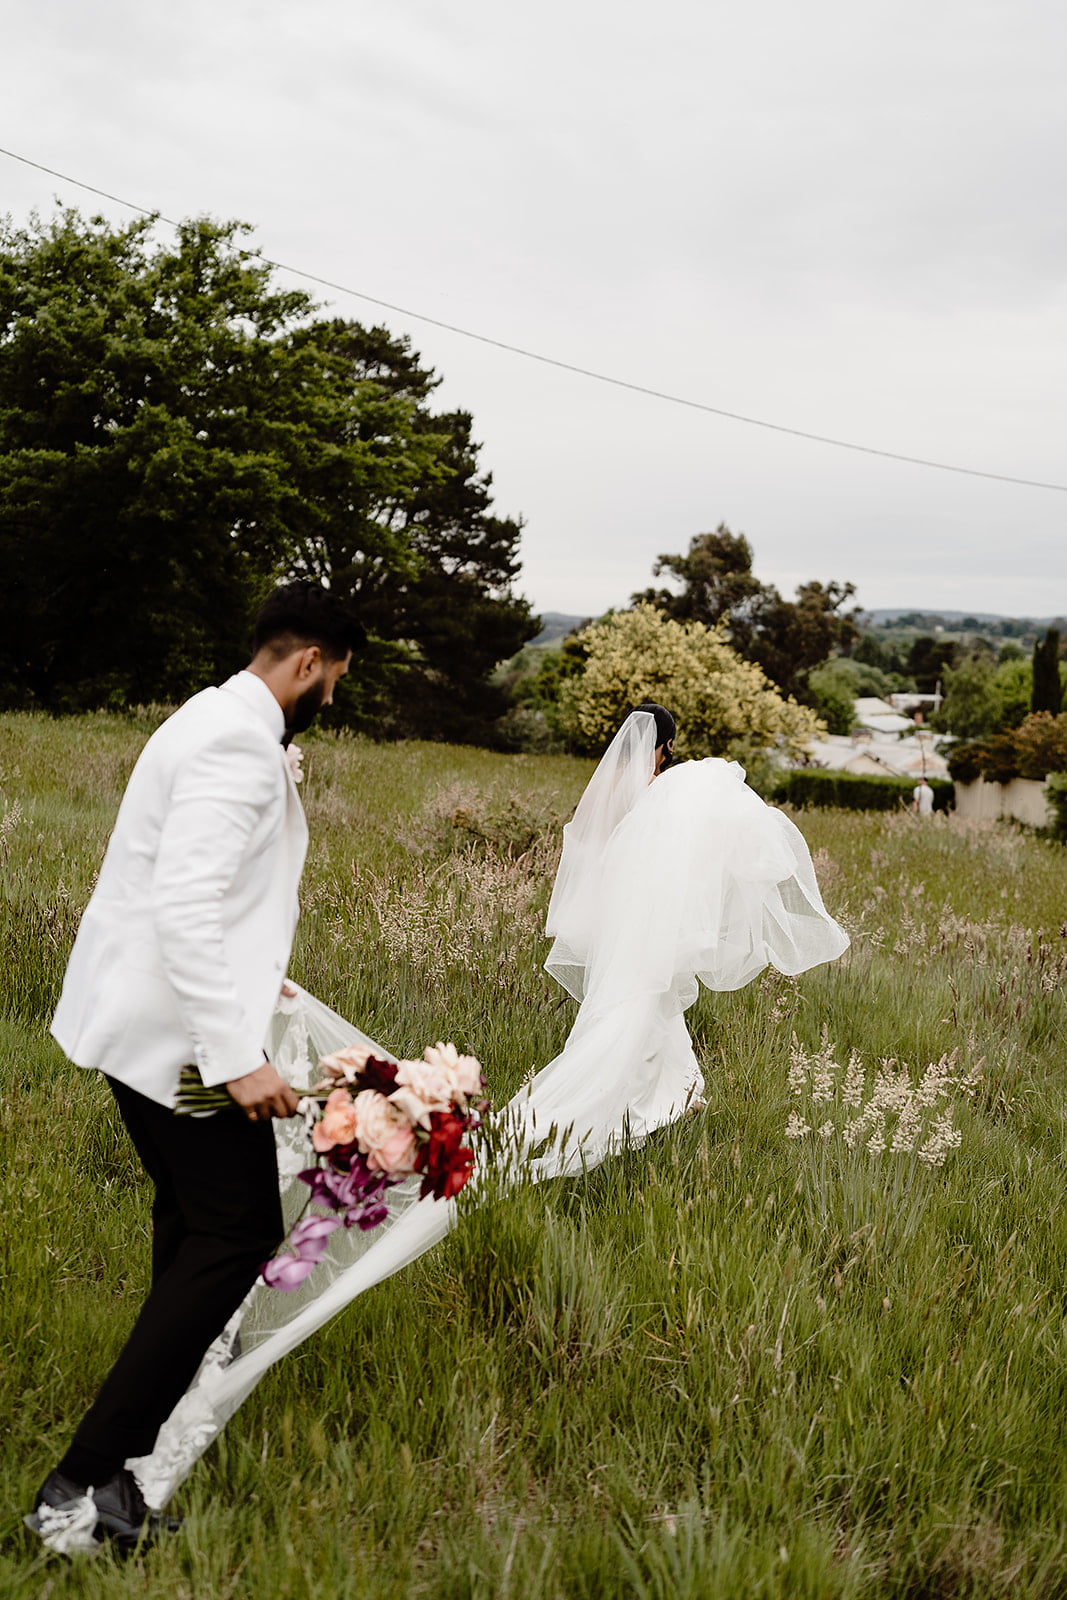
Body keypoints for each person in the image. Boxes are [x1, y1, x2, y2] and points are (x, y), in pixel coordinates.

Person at [108, 706, 851, 1514]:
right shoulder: (689, 793)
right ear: (665, 751)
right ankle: (541, 1140)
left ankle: (647, 1107)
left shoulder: (626, 807)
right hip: (637, 969)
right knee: (605, 1063)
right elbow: (724, 880)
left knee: (641, 1046)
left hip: (625, 966)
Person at [27, 581, 365, 1555]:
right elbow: (184, 900)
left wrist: (262, 984)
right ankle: (74, 1489)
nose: (331, 698)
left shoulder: (206, 714)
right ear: (309, 662)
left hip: (144, 1021)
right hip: (180, 1043)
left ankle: (118, 1488)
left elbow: (192, 888)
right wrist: (236, 1057)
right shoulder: (237, 745)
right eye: (335, 679)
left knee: (189, 1232)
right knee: (236, 1232)